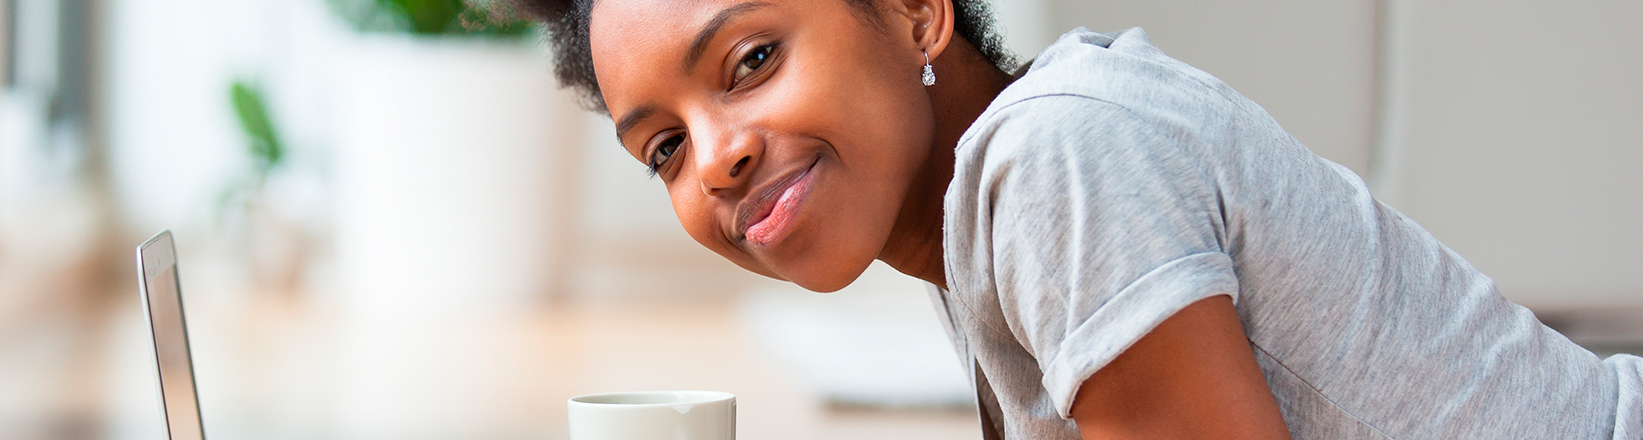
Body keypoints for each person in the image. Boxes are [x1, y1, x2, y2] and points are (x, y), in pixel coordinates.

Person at [502, 0, 1643, 438]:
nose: (718, 157)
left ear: (913, 14)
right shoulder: (978, 214)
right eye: (663, 146)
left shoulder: (1058, 155)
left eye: (751, 60)